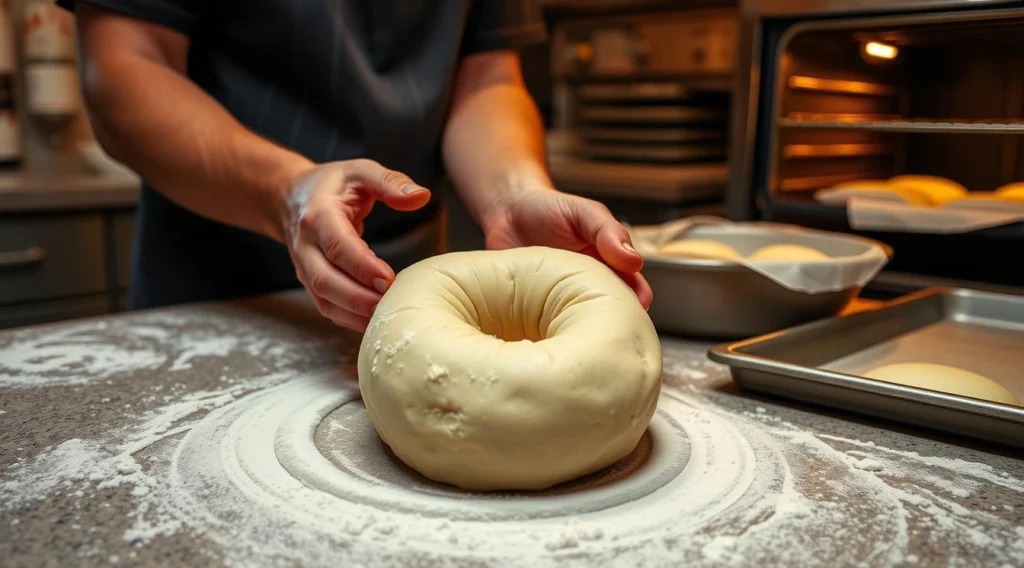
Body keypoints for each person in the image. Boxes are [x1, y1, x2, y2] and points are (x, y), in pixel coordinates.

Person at [62, 0, 652, 331]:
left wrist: (511, 194)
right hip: (211, 291)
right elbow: (124, 69)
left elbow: (487, 80)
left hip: (409, 289)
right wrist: (287, 192)